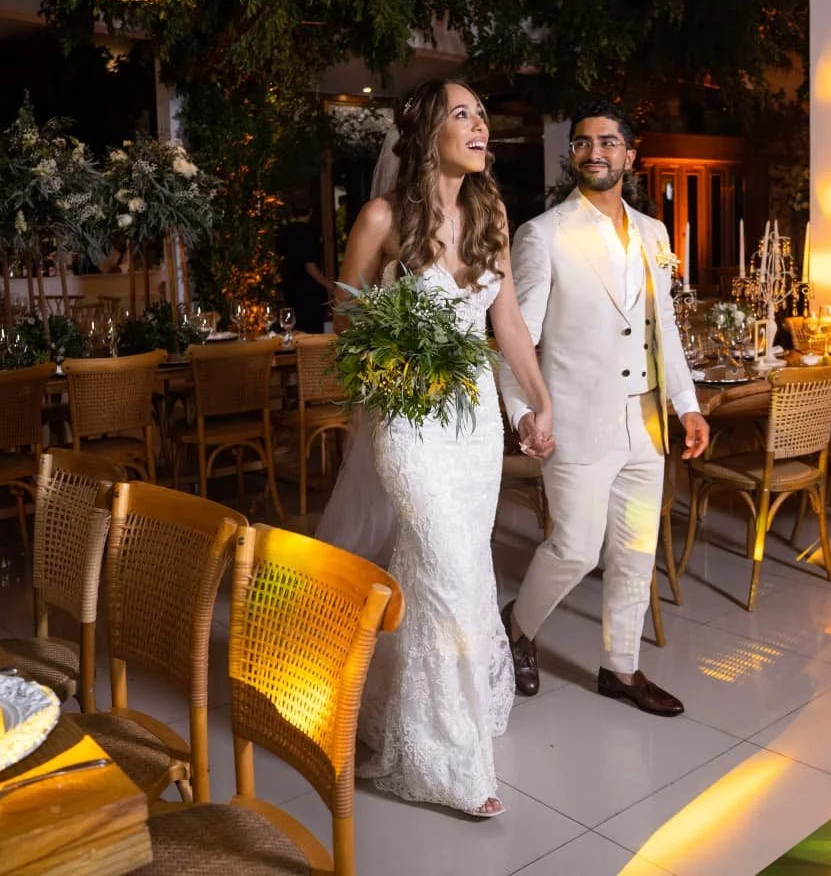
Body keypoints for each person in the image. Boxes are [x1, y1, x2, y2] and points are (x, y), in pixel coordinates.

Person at [333, 79, 555, 818]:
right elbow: (345, 322)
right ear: (428, 132)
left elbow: (510, 324)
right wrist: (397, 354)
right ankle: (452, 765)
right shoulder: (381, 216)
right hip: (408, 423)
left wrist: (536, 400)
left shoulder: (490, 212)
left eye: (483, 114)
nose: (480, 125)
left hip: (474, 424)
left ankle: (406, 710)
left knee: (453, 567)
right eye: (463, 114)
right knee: (445, 564)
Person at [497, 98, 709, 718]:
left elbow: (662, 325)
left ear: (629, 155)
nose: (597, 151)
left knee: (637, 549)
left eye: (609, 142)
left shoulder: (653, 232)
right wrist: (524, 413)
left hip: (644, 423)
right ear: (573, 155)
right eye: (585, 142)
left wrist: (687, 406)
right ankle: (517, 626)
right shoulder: (543, 235)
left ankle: (621, 669)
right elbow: (518, 337)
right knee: (575, 548)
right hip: (577, 423)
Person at [277, 199, 332, 333]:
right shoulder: (310, 234)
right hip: (309, 293)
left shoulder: (284, 233)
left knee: (294, 332)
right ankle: (309, 355)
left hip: (291, 290)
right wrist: (331, 286)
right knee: (311, 335)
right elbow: (310, 267)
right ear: (310, 212)